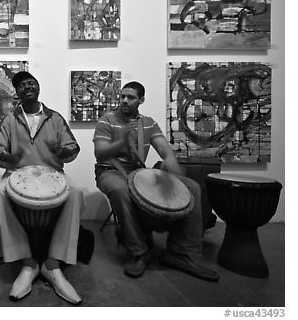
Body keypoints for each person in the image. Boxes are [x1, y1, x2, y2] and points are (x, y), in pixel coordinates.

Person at [93, 81, 219, 281]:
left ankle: (179, 252)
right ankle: (138, 252)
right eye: (123, 96)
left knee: (191, 187)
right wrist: (122, 140)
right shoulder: (106, 121)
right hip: (109, 171)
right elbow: (100, 153)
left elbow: (165, 150)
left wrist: (172, 166)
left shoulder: (148, 123)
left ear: (141, 100)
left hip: (138, 172)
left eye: (131, 97)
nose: (125, 100)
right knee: (120, 190)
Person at [0, 71, 85, 305]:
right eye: (21, 85)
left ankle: (53, 263)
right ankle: (27, 262)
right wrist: (9, 158)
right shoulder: (10, 119)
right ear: (18, 93)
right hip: (16, 175)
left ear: (38, 87)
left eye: (31, 83)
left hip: (53, 174)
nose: (27, 87)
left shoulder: (55, 118)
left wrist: (63, 152)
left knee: (76, 193)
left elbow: (73, 146)